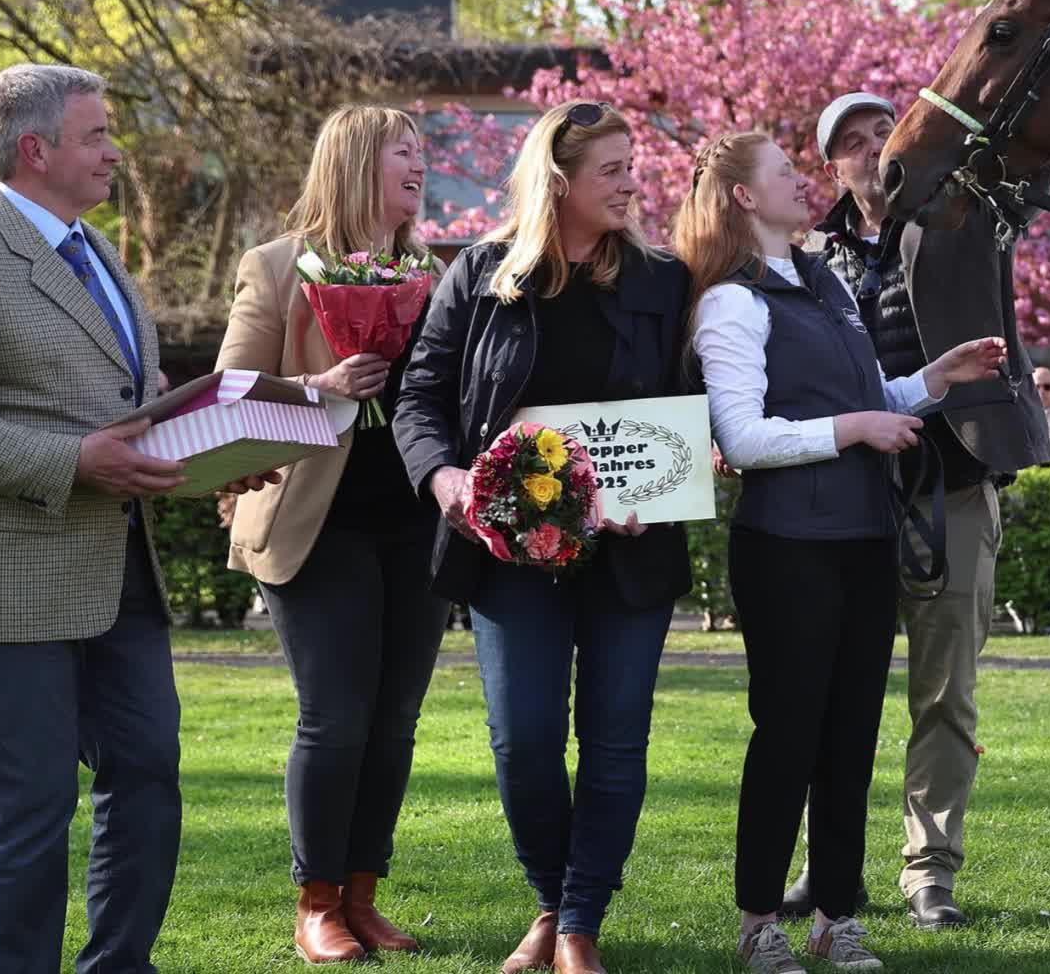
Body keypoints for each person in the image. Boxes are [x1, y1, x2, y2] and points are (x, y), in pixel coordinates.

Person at [0, 63, 276, 973]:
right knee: (27, 806)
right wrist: (72, 461)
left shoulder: (97, 251)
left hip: (119, 570)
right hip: (10, 577)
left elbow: (121, 409)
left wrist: (213, 449)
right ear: (36, 148)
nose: (114, 153)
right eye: (96, 135)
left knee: (147, 776)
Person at [675, 131, 1008, 973]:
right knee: (788, 737)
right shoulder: (731, 302)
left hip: (863, 541)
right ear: (744, 197)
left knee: (851, 740)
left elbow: (863, 395)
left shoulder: (823, 281)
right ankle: (759, 924)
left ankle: (834, 917)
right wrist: (857, 428)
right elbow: (743, 439)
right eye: (783, 172)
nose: (802, 180)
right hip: (787, 549)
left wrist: (934, 380)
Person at [393, 100, 693, 974]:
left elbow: (691, 404)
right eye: (613, 170)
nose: (632, 184)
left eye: (632, 166)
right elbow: (420, 397)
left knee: (615, 740)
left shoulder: (664, 279)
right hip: (506, 553)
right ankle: (551, 900)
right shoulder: (481, 273)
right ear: (557, 181)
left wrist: (664, 483)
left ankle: (578, 923)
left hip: (631, 550)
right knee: (522, 740)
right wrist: (443, 477)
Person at [794, 91, 1050, 931]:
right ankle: (826, 866)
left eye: (883, 131)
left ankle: (929, 870)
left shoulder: (960, 222)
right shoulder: (804, 257)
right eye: (853, 141)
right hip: (845, 498)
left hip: (955, 485)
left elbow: (1022, 173)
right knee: (833, 693)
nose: (873, 148)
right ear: (830, 166)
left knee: (945, 693)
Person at [215, 104, 447, 962]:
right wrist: (323, 386)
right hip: (316, 524)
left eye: (422, 152)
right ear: (353, 164)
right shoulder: (277, 267)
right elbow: (231, 395)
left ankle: (362, 895)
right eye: (402, 152)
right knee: (337, 717)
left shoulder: (434, 273)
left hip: (415, 526)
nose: (420, 165)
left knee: (395, 720)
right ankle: (316, 902)